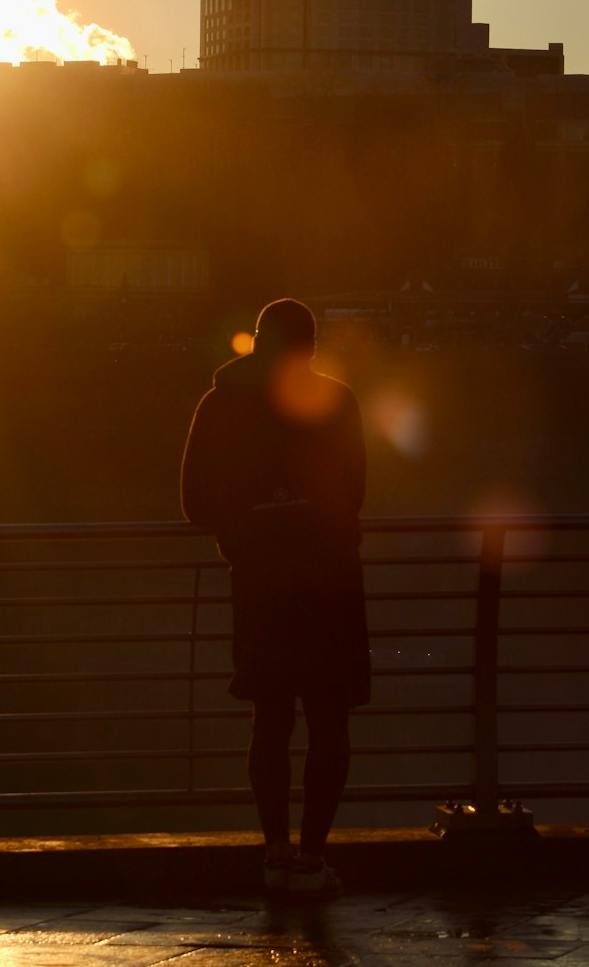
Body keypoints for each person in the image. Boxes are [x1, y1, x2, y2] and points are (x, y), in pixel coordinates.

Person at [180, 298, 369, 897]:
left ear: (256, 343)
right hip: (331, 581)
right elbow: (355, 492)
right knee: (329, 719)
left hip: (259, 581)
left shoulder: (219, 404)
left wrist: (249, 524)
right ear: (312, 347)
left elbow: (193, 504)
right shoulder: (338, 402)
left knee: (270, 719)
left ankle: (275, 855)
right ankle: (312, 861)